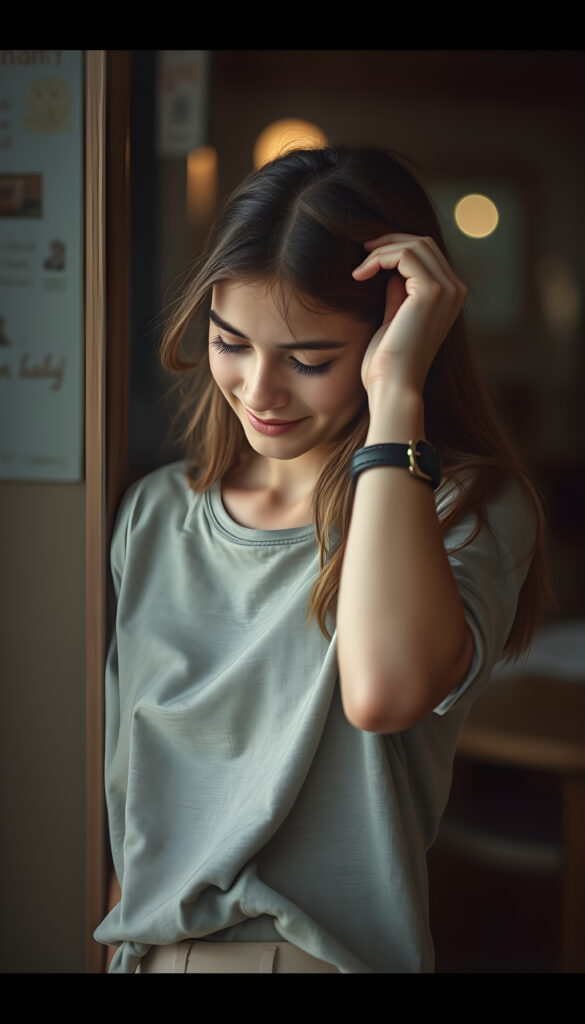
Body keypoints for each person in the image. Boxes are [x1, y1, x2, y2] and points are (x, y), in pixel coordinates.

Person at [94, 144, 548, 973]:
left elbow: (383, 693)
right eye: (230, 342)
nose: (259, 391)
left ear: (391, 341)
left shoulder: (464, 508)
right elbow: (133, 792)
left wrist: (396, 394)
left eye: (309, 360)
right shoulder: (156, 514)